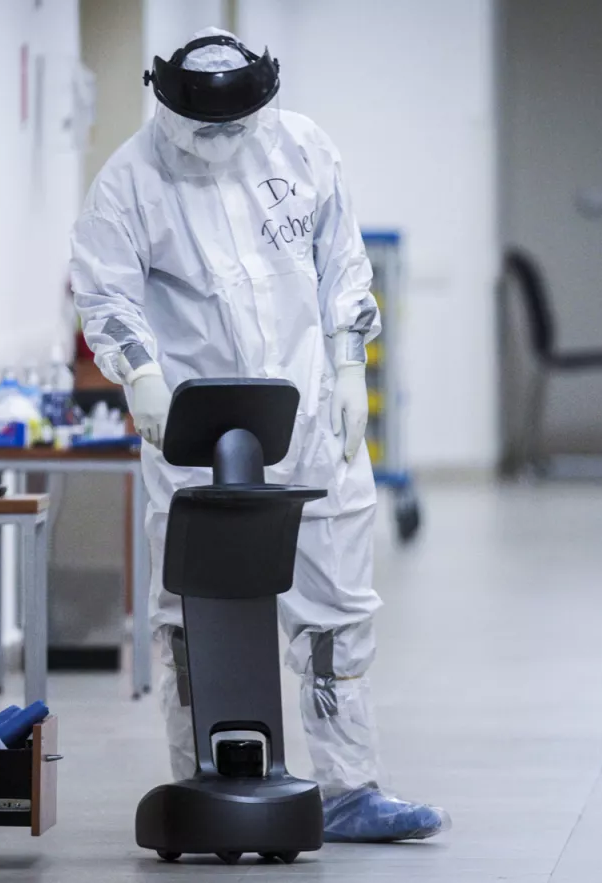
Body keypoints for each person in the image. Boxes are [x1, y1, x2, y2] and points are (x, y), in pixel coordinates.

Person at [70, 27, 450, 843]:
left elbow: (343, 263)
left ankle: (349, 787)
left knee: (339, 610)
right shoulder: (129, 182)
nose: (217, 143)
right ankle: (204, 781)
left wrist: (351, 362)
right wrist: (140, 377)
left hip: (309, 421)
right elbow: (105, 298)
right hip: (191, 438)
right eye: (201, 128)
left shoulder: (303, 151)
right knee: (190, 620)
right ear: (165, 102)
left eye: (232, 127)